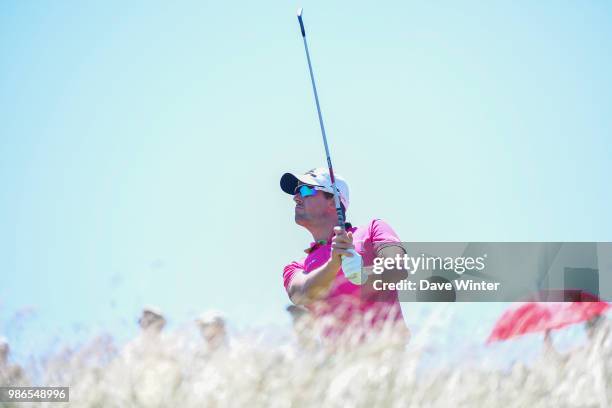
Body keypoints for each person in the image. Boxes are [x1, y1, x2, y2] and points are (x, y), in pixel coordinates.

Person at [280, 168, 409, 344]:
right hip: (340, 364)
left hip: (387, 354)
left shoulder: (372, 229)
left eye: (305, 190)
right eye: (296, 193)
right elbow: (300, 294)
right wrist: (333, 264)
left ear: (333, 201)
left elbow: (397, 268)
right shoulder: (297, 267)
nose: (296, 197)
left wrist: (362, 275)